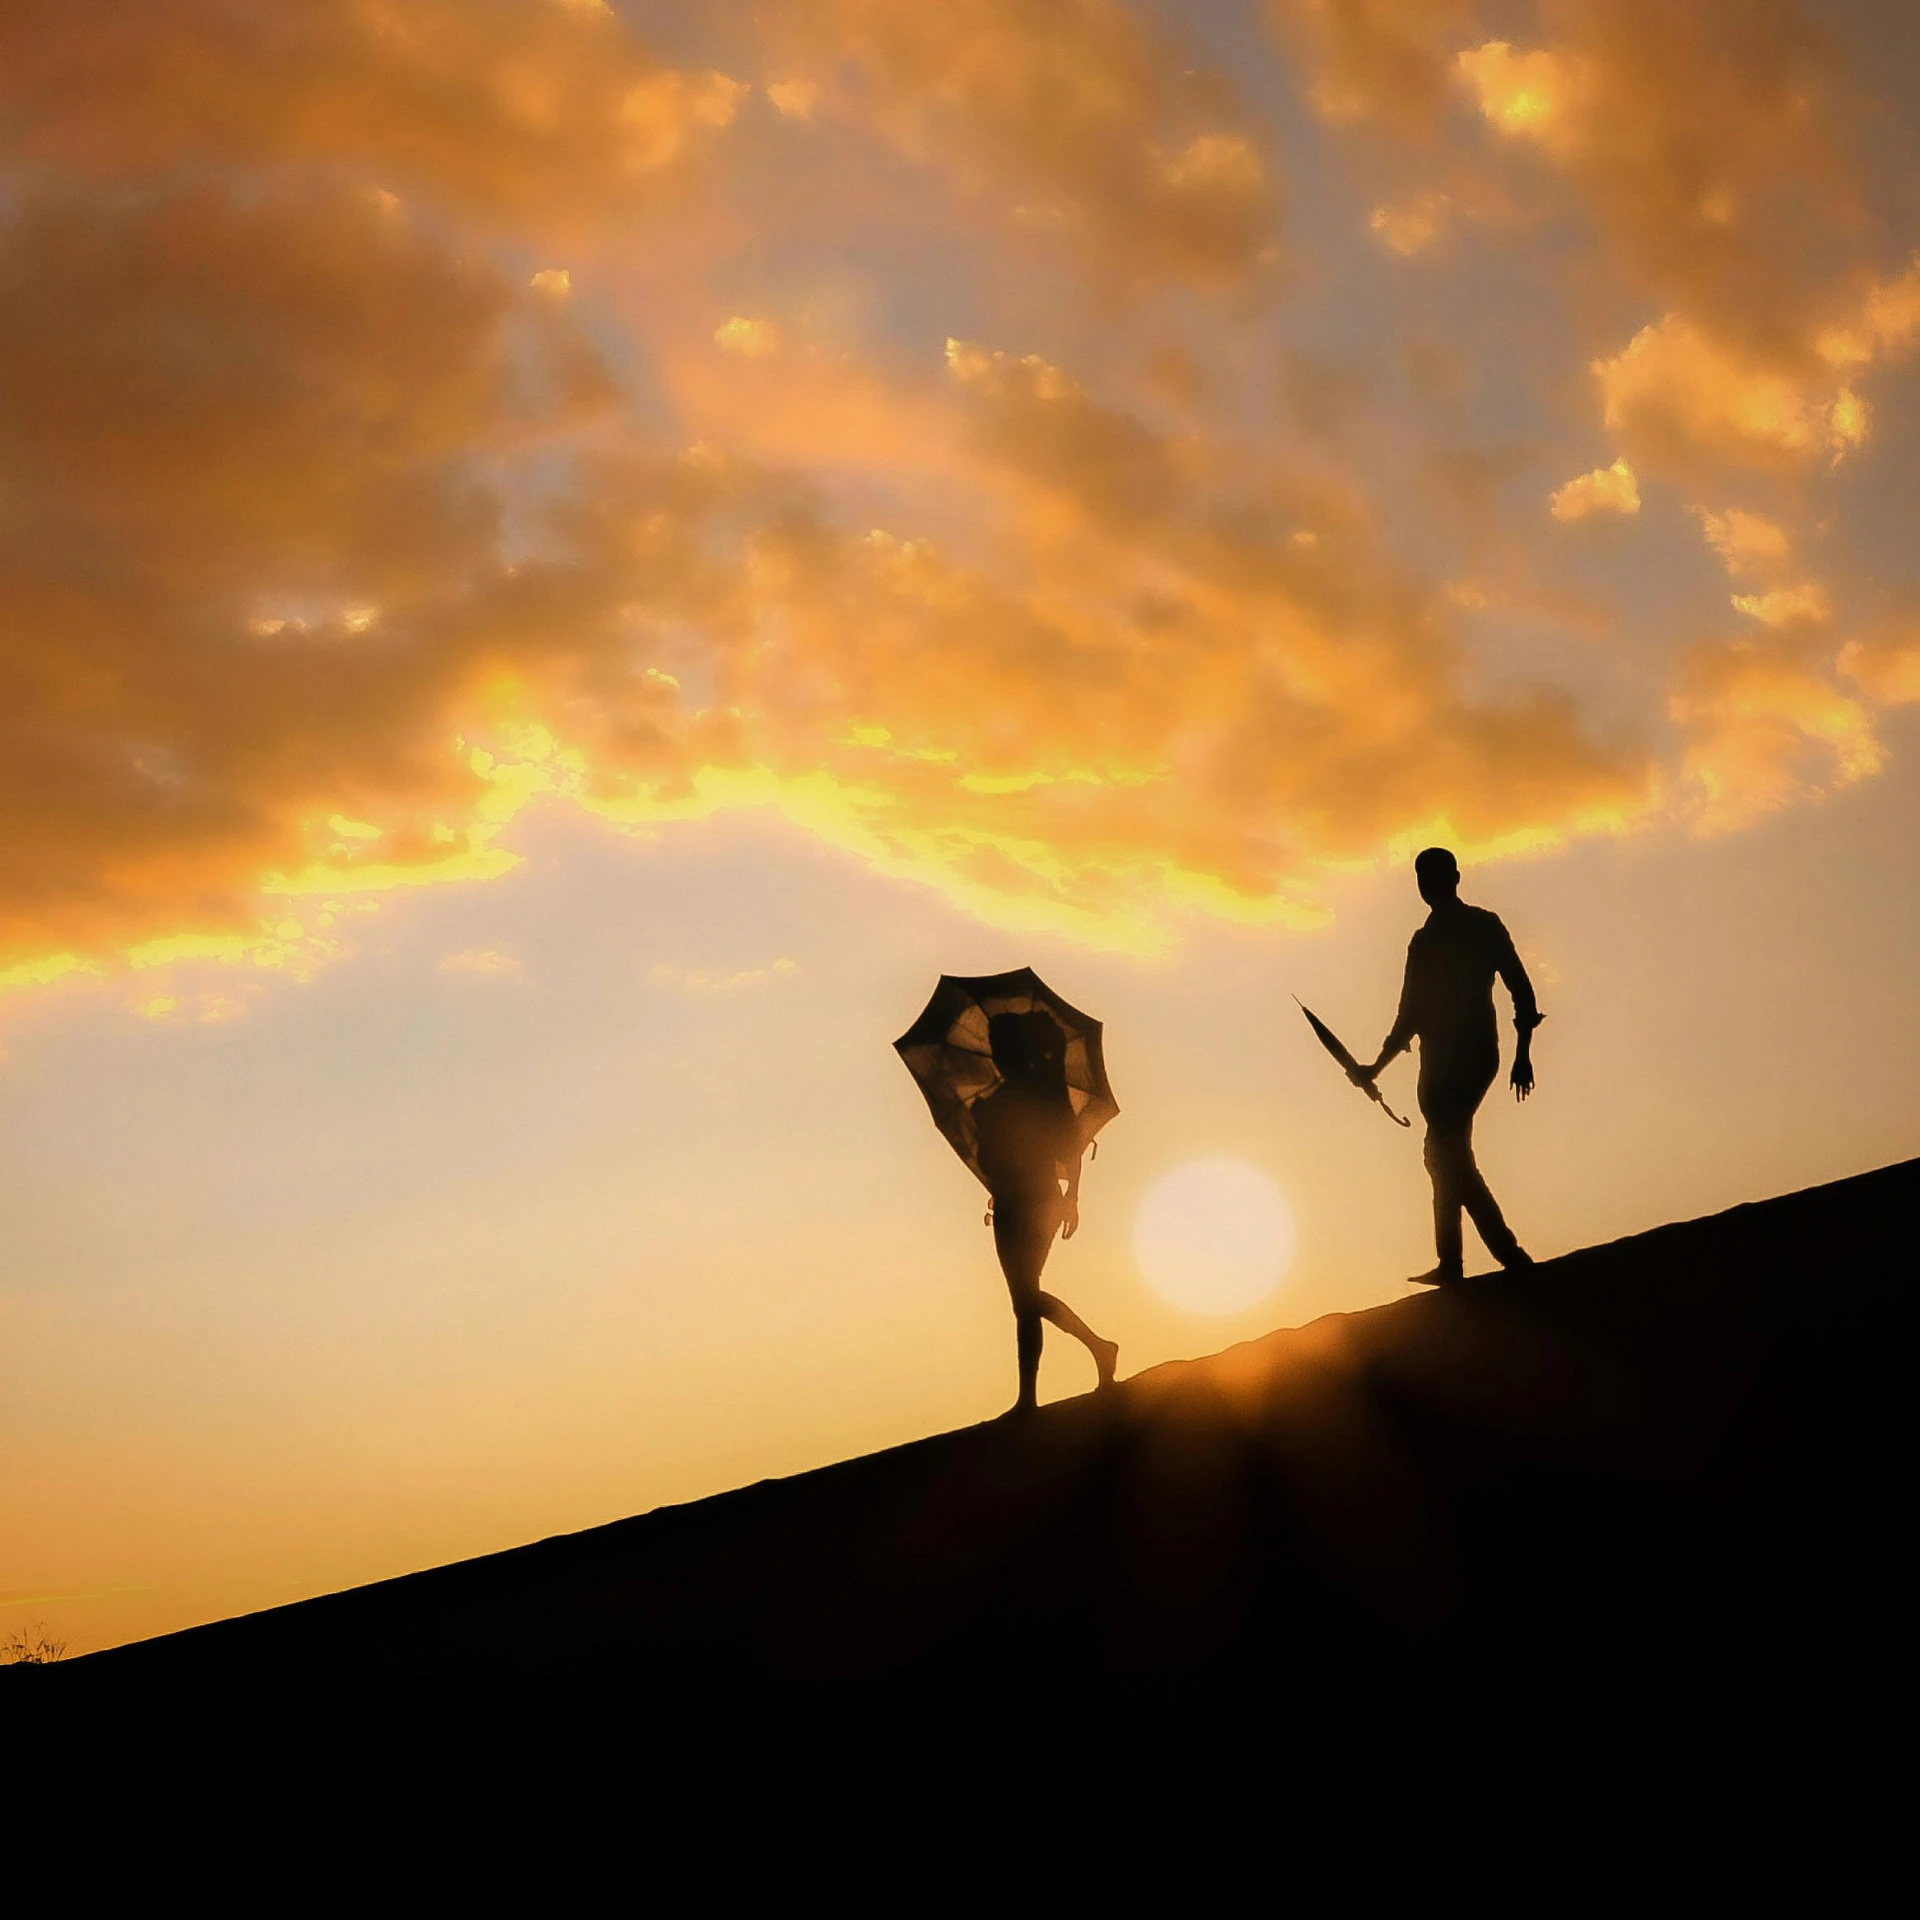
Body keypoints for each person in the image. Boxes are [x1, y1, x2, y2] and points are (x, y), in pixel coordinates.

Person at [1351, 848, 1542, 1286]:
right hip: (1434, 1067)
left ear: (1454, 877)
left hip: (1474, 1056)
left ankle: (1507, 1258)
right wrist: (1374, 1068)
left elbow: (1521, 989)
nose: (1426, 885)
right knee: (1443, 1157)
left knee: (1445, 1153)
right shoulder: (1422, 941)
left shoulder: (1483, 925)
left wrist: (1522, 1052)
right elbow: (1410, 1013)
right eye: (1420, 877)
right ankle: (1456, 1264)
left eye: (1433, 876)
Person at [972, 1009, 1118, 1412]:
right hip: (1007, 1202)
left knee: (1025, 1295)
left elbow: (1067, 1150)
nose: (996, 1056)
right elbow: (990, 1162)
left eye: (1000, 1048)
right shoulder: (998, 1100)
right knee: (1024, 1299)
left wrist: (1073, 1197)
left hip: (1036, 1199)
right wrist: (982, 1124)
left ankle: (1097, 1347)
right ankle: (1029, 1398)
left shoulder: (1041, 1096)